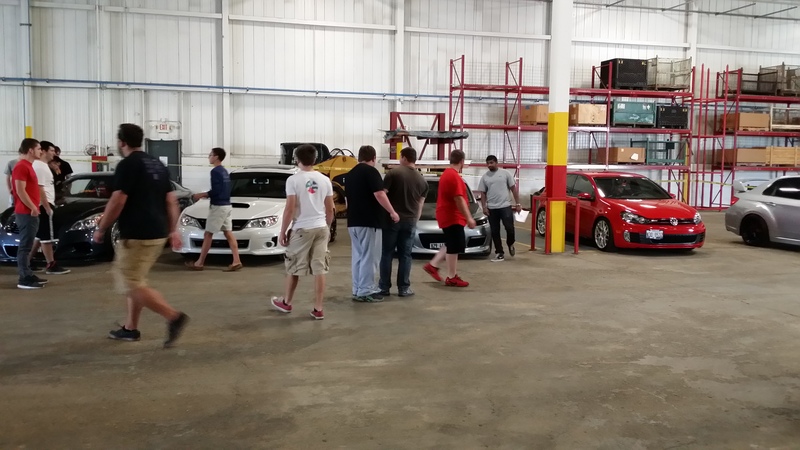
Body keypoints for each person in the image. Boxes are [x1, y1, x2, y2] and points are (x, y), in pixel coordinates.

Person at [93, 124, 189, 347]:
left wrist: (102, 228)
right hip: (157, 234)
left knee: (129, 283)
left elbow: (118, 200)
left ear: (122, 142)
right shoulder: (157, 164)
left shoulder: (127, 164)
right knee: (136, 281)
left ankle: (173, 317)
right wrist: (173, 230)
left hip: (137, 234)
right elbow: (171, 201)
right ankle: (130, 328)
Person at [271, 143, 335, 320]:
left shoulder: (293, 180)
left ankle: (286, 302)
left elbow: (290, 209)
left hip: (302, 228)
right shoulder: (325, 180)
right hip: (321, 227)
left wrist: (283, 231)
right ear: (315, 159)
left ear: (296, 159)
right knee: (319, 268)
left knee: (293, 267)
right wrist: (327, 227)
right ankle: (318, 308)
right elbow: (330, 209)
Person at [344, 145, 399, 303]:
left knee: (358, 257)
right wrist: (392, 212)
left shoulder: (350, 174)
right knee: (370, 257)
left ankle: (358, 288)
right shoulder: (371, 171)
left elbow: (347, 199)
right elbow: (379, 194)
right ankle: (366, 290)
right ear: (373, 158)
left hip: (353, 222)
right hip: (369, 221)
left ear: (359, 157)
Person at [378, 147, 428, 297]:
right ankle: (404, 288)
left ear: (404, 158)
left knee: (387, 253)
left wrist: (388, 213)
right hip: (410, 221)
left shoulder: (393, 174)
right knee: (405, 255)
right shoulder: (422, 180)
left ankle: (384, 287)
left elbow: (382, 195)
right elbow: (420, 204)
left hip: (392, 220)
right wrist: (415, 220)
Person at [422, 150, 476, 287]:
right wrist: (469, 218)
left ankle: (433, 265)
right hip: (453, 216)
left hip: (447, 215)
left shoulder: (446, 174)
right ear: (462, 161)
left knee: (451, 242)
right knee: (455, 245)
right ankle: (451, 277)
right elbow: (459, 199)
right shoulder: (453, 176)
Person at [186, 147, 242, 272]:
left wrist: (201, 194)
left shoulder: (215, 171)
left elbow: (216, 190)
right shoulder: (224, 171)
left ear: (216, 157)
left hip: (218, 206)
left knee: (208, 234)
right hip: (227, 205)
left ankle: (199, 263)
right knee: (228, 233)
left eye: (210, 155)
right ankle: (236, 260)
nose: (209, 157)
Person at [29, 141, 70, 275]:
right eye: (51, 150)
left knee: (39, 235)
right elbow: (39, 188)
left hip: (44, 204)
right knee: (47, 236)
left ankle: (27, 261)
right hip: (44, 205)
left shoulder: (43, 166)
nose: (54, 153)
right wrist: (47, 207)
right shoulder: (40, 167)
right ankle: (51, 264)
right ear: (44, 151)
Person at [12, 138, 47, 289]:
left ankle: (28, 273)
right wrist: (32, 207)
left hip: (30, 211)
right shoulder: (21, 166)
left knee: (28, 245)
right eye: (39, 148)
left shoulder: (28, 166)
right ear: (31, 150)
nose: (41, 151)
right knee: (25, 247)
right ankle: (24, 279)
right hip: (26, 212)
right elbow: (20, 190)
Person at [477, 155, 522, 262]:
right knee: (495, 231)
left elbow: (513, 189)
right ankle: (499, 252)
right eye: (488, 163)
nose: (489, 165)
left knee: (509, 228)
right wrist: (484, 207)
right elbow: (483, 193)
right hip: (492, 208)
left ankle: (510, 243)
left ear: (496, 163)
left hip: (505, 206)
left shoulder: (505, 174)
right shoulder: (485, 177)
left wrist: (518, 203)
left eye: (491, 163)